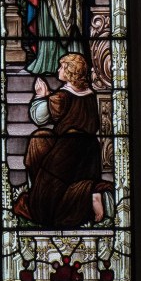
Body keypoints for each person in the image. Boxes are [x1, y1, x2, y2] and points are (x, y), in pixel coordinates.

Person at [14, 53, 112, 229]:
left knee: (47, 192)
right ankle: (91, 192)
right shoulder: (90, 95)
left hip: (68, 149)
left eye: (62, 67)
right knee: (41, 139)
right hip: (90, 150)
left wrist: (40, 95)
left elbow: (39, 117)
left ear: (69, 73)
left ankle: (84, 195)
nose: (58, 70)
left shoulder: (62, 97)